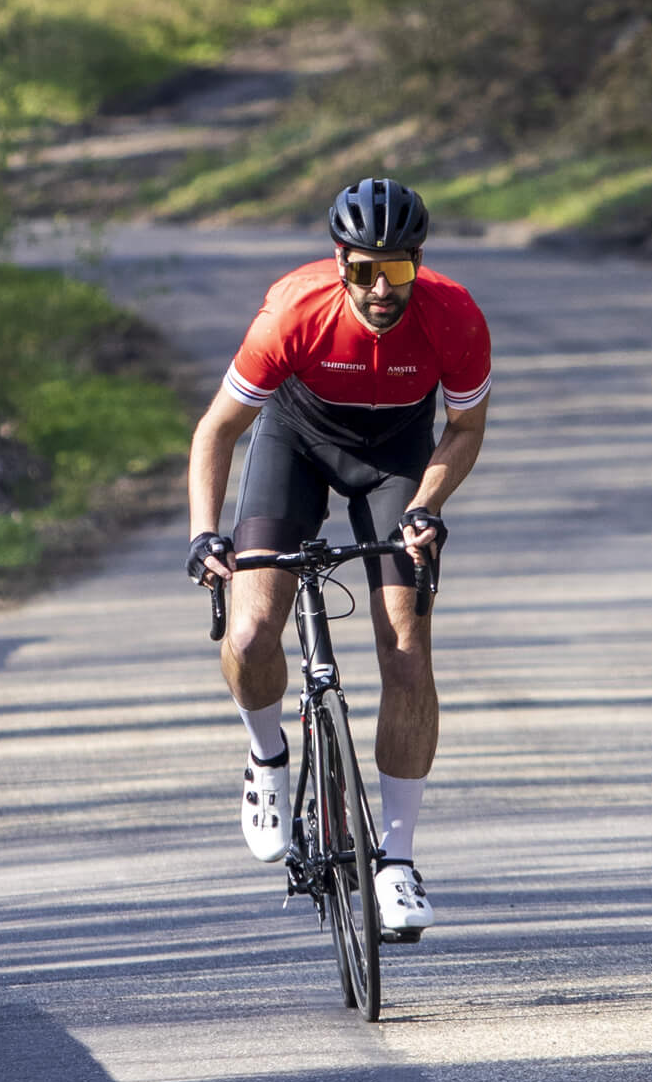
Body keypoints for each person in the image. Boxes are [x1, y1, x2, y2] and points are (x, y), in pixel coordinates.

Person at [185, 177, 491, 933]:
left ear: (420, 262)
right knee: (252, 633)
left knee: (408, 651)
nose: (380, 290)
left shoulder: (454, 316)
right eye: (363, 270)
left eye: (397, 271)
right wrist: (204, 532)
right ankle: (265, 757)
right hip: (296, 443)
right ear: (339, 261)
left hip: (396, 459)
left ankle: (397, 860)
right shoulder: (293, 311)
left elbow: (465, 429)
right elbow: (216, 431)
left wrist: (426, 506)